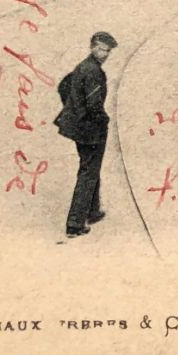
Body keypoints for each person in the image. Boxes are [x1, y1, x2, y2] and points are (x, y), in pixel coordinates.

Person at [54, 31, 117, 239]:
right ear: (92, 47)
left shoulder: (83, 66)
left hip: (80, 127)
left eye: (107, 50)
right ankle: (75, 223)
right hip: (90, 130)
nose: (104, 53)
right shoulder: (93, 72)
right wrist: (102, 119)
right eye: (101, 49)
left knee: (91, 167)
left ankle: (93, 210)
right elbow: (94, 105)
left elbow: (63, 85)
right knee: (88, 172)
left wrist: (73, 109)